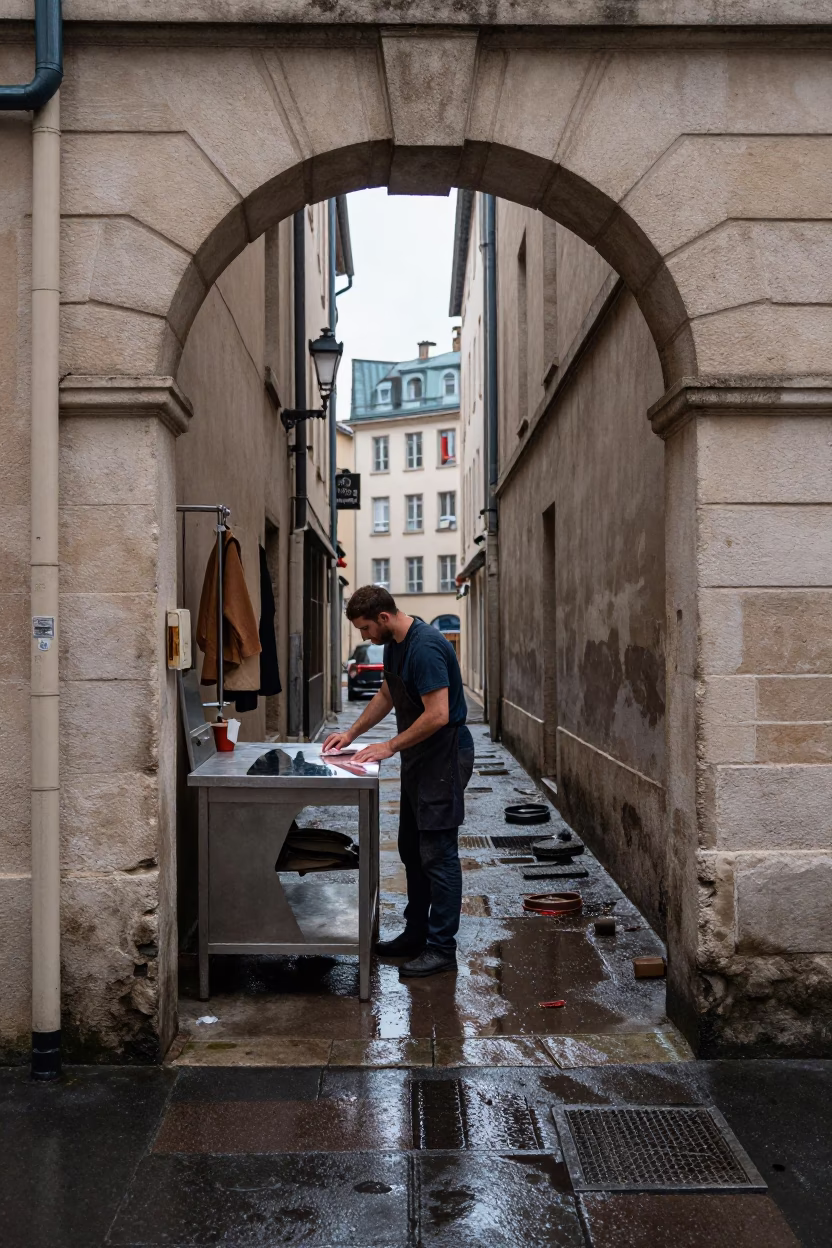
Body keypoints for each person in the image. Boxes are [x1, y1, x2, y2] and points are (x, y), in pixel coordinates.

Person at [323, 585, 475, 977]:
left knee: (438, 855)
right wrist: (352, 734)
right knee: (411, 848)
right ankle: (416, 933)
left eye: (366, 628)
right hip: (419, 759)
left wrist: (389, 746)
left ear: (385, 618)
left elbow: (438, 714)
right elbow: (388, 693)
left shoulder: (424, 647)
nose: (364, 637)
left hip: (444, 757)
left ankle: (442, 949)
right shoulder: (395, 643)